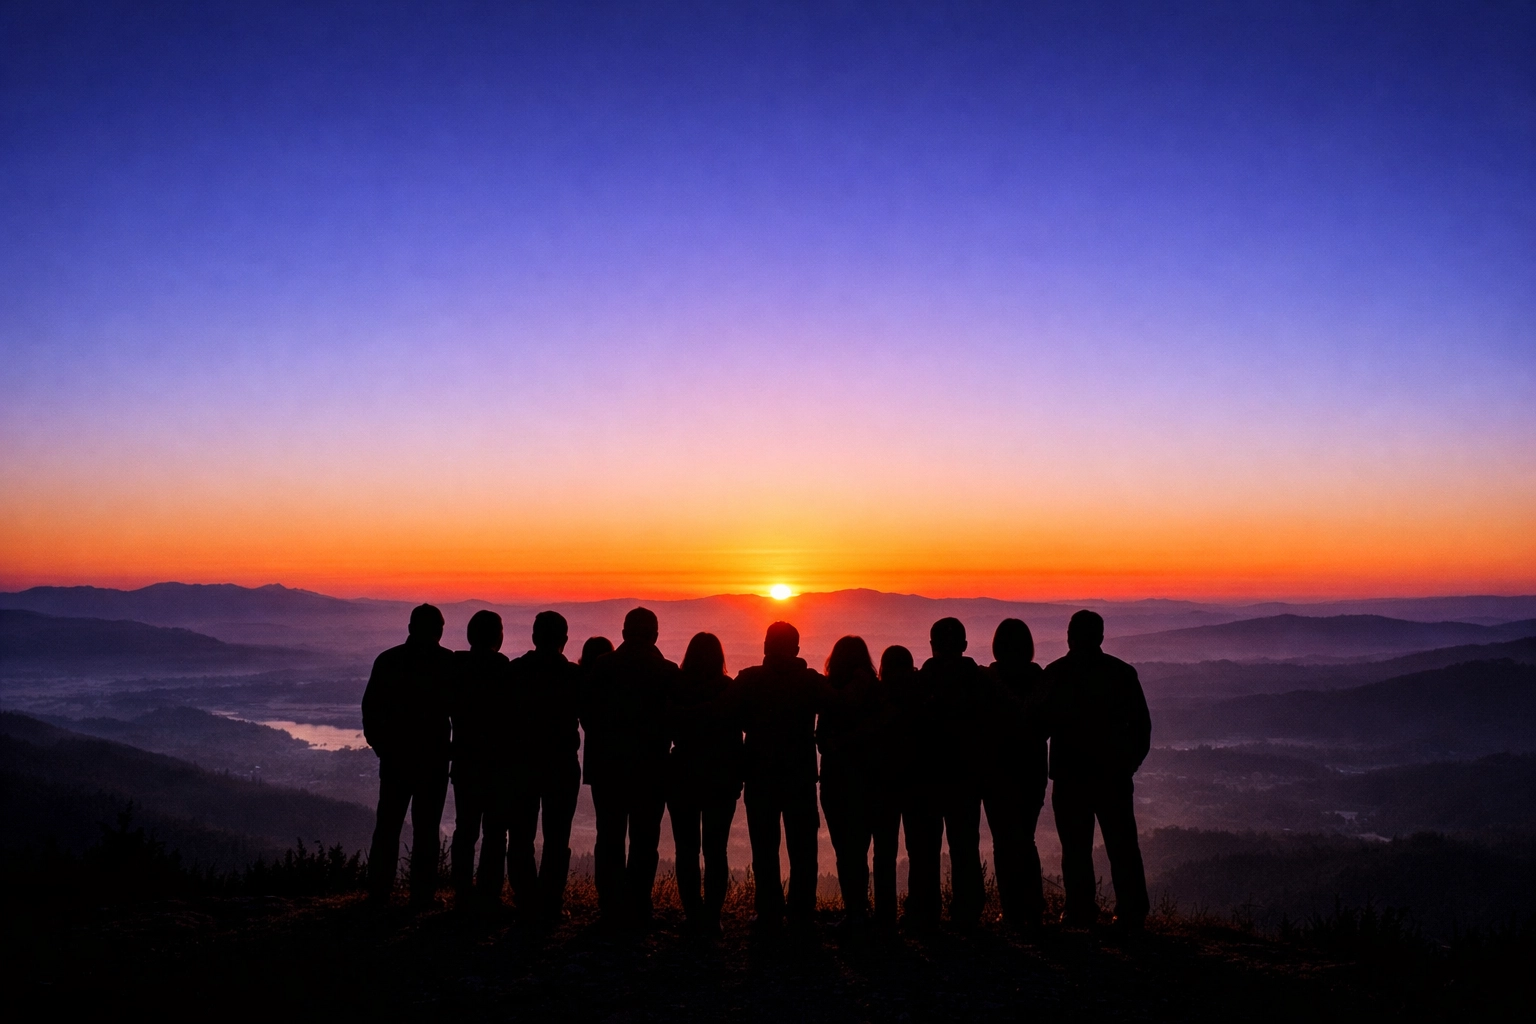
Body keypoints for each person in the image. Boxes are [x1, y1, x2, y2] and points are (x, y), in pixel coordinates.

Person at [1045, 609, 1152, 930]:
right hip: (1112, 777)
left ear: (1069, 637)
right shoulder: (1121, 674)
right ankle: (1131, 912)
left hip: (1070, 777)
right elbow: (1142, 728)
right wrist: (1127, 765)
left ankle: (1079, 910)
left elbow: (1040, 725)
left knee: (1075, 849)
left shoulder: (1056, 674)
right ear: (1101, 637)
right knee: (1122, 847)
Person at [579, 607, 679, 930]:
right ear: (655, 635)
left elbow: (587, 713)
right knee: (645, 839)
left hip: (607, 767)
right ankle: (639, 905)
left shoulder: (602, 667)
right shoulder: (667, 671)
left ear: (623, 633)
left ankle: (610, 905)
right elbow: (674, 720)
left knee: (609, 836)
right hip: (651, 768)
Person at [732, 621, 825, 937]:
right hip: (800, 777)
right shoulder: (810, 682)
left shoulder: (749, 680)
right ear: (796, 649)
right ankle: (801, 913)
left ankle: (769, 912)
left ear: (765, 646)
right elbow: (841, 704)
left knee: (764, 848)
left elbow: (729, 715)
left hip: (760, 776)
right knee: (804, 849)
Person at [362, 603, 455, 907]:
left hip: (396, 760)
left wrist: (383, 748)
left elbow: (371, 710)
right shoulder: (447, 663)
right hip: (433, 760)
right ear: (438, 630)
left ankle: (379, 892)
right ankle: (422, 896)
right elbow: (461, 712)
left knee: (387, 826)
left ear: (411, 628)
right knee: (426, 830)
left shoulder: (389, 661)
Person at [910, 617, 990, 929]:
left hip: (927, 778)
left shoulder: (922, 681)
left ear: (932, 645)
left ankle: (925, 911)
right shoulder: (979, 680)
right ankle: (967, 912)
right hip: (966, 778)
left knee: (925, 849)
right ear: (964, 645)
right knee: (965, 846)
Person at [507, 610, 583, 929]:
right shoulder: (574, 676)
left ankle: (525, 901)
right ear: (564, 640)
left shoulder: (515, 671)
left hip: (521, 764)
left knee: (520, 835)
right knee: (557, 837)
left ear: (534, 637)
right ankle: (551, 903)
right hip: (562, 765)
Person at [666, 632, 744, 938]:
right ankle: (713, 917)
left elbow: (669, 727)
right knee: (716, 851)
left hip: (683, 776)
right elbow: (737, 736)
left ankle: (692, 915)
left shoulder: (677, 688)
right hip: (720, 779)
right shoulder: (728, 689)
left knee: (686, 850)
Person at [817, 635, 890, 937]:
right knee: (862, 848)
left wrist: (838, 745)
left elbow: (821, 740)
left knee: (845, 850)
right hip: (869, 781)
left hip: (836, 782)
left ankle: (854, 911)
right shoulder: (876, 692)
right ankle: (867, 914)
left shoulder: (829, 693)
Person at [982, 618, 1049, 931]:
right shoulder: (1040, 679)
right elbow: (1045, 726)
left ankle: (1012, 911)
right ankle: (1032, 909)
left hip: (996, 771)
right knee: (1025, 839)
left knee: (1003, 842)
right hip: (1032, 770)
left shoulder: (989, 680)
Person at [448, 609, 513, 909]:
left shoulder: (456, 667)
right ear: (497, 636)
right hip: (498, 763)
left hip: (465, 760)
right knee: (495, 832)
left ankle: (462, 892)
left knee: (465, 829)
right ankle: (489, 894)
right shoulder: (503, 669)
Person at [873, 644, 918, 930]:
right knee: (920, 851)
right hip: (918, 783)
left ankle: (884, 914)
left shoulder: (877, 696)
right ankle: (922, 912)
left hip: (883, 784)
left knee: (884, 853)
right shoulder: (920, 695)